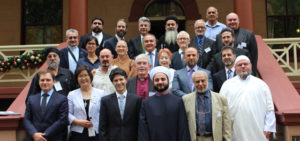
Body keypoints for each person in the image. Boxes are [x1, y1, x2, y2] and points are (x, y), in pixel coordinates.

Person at [220, 55, 276, 141]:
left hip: (258, 128)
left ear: (251, 65)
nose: (243, 66)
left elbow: (269, 108)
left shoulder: (261, 85)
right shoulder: (227, 85)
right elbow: (221, 107)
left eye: (245, 64)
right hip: (236, 128)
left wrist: (268, 127)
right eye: (239, 65)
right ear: (235, 67)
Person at [138, 66, 190, 141]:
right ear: (153, 82)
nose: (160, 82)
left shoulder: (178, 101)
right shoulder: (146, 103)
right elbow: (143, 130)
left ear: (168, 81)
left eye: (163, 79)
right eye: (157, 80)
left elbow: (183, 128)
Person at [183, 70, 231, 141]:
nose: (200, 84)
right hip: (195, 138)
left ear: (207, 80)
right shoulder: (185, 99)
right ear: (193, 83)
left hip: (214, 138)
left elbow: (226, 125)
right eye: (197, 81)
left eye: (203, 81)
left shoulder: (221, 99)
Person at [24, 69, 68, 141]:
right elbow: (27, 119)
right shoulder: (31, 99)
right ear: (38, 82)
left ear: (53, 81)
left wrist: (44, 135)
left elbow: (62, 120)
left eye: (48, 80)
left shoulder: (62, 99)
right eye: (42, 80)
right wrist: (34, 133)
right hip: (34, 138)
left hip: (53, 138)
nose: (45, 82)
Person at [100, 68, 142, 141]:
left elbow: (139, 124)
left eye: (121, 79)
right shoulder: (105, 101)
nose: (119, 82)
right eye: (115, 80)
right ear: (112, 82)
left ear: (126, 80)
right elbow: (102, 125)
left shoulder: (136, 100)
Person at [68, 66, 106, 141]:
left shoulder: (101, 93)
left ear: (90, 76)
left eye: (85, 75)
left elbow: (105, 114)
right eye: (80, 76)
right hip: (78, 133)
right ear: (76, 79)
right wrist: (78, 122)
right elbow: (68, 113)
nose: (83, 78)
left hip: (96, 132)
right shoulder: (72, 94)